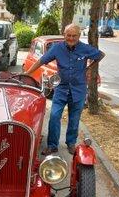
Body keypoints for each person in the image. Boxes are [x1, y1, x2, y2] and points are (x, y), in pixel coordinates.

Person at [24, 24, 105, 154]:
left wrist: (89, 68)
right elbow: (41, 61)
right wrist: (27, 73)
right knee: (55, 116)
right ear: (64, 34)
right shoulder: (57, 48)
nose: (71, 38)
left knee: (74, 118)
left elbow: (100, 55)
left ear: (79, 36)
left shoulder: (85, 49)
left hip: (78, 90)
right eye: (68, 35)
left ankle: (71, 143)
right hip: (61, 89)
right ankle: (52, 145)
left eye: (74, 36)